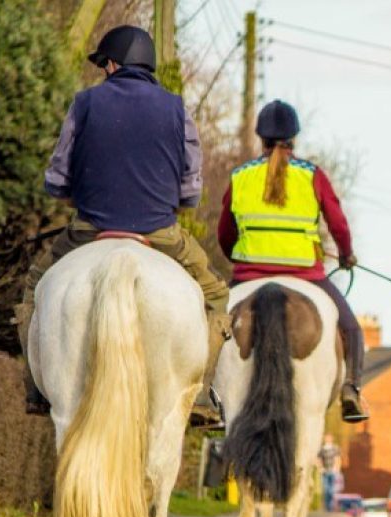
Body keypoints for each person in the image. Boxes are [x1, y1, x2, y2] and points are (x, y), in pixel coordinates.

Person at [14, 25, 231, 421]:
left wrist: (81, 192)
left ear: (113, 63)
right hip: (161, 232)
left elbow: (57, 179)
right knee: (216, 294)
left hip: (89, 230)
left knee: (34, 286)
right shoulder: (177, 108)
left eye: (104, 65)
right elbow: (191, 191)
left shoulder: (84, 104)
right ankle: (201, 396)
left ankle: (36, 389)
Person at [216, 99, 369, 423]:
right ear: (294, 139)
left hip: (248, 275)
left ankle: (207, 396)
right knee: (353, 329)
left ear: (261, 138)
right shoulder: (311, 175)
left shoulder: (241, 176)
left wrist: (240, 257)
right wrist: (345, 253)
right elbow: (338, 223)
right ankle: (351, 392)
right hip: (306, 276)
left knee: (210, 327)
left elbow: (225, 232)